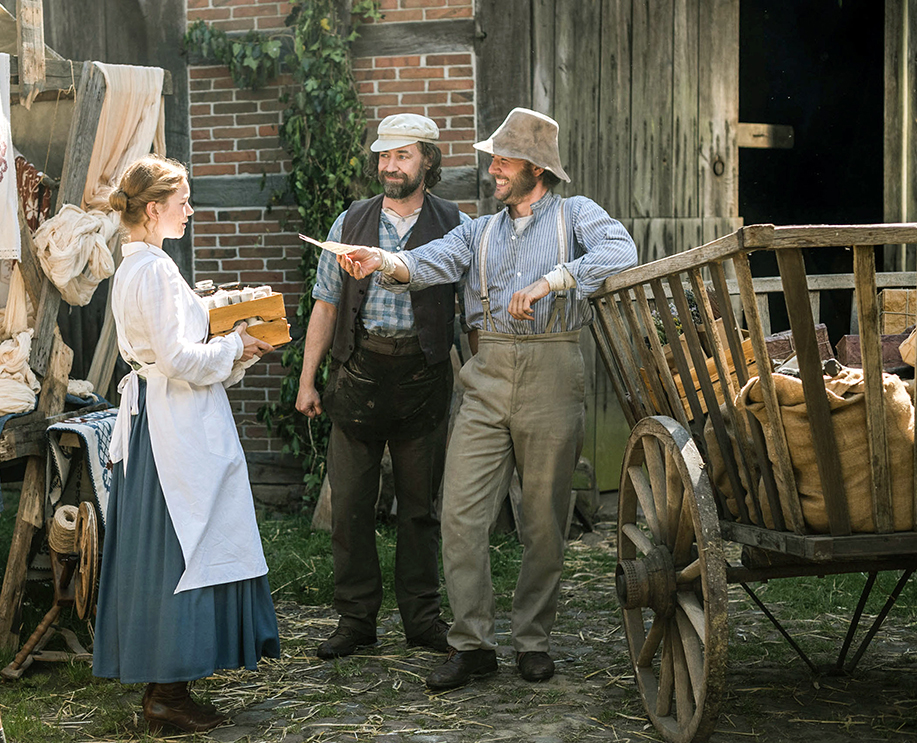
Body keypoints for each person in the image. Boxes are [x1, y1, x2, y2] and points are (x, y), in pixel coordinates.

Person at [337, 108, 637, 689]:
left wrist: (553, 281)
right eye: (493, 159)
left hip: (553, 369)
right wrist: (386, 261)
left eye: (502, 161)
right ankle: (473, 643)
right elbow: (431, 260)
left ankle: (532, 640)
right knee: (459, 514)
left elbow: (621, 254)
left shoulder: (576, 216)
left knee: (543, 521)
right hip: (487, 373)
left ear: (536, 168)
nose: (492, 169)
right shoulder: (480, 229)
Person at [93, 155, 281, 733]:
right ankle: (167, 693)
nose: (191, 210)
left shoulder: (147, 266)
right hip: (171, 423)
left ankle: (169, 686)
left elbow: (173, 344)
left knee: (179, 541)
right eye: (183, 202)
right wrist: (238, 343)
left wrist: (219, 324)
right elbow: (176, 359)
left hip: (168, 414)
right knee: (180, 543)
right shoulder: (150, 270)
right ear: (154, 210)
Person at [296, 114, 470, 659]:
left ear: (427, 161)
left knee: (420, 509)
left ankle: (422, 619)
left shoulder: (456, 224)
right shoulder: (350, 220)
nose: (389, 166)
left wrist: (482, 380)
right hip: (358, 375)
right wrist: (308, 381)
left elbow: (472, 311)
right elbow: (325, 304)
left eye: (402, 156)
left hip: (423, 378)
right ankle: (355, 620)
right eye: (384, 156)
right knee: (349, 505)